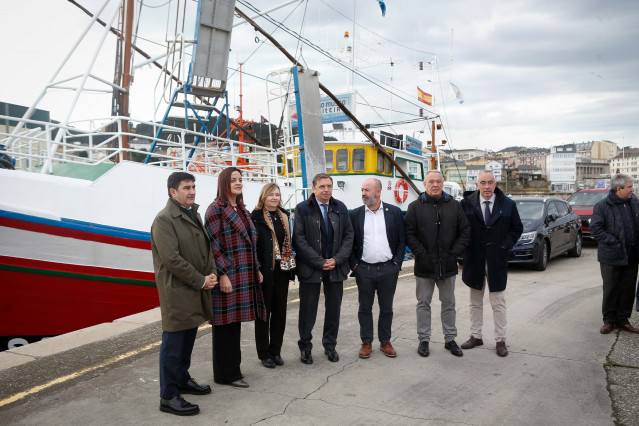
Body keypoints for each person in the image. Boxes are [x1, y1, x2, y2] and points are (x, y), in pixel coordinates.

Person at [151, 171, 218, 416]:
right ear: (173, 192)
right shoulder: (164, 219)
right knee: (173, 345)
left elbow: (206, 248)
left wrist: (210, 273)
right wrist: (201, 280)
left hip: (195, 287)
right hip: (177, 292)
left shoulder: (193, 214)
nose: (192, 191)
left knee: (187, 339)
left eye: (193, 186)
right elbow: (171, 260)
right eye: (186, 187)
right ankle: (168, 396)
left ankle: (181, 379)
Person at [204, 167, 267, 388]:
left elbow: (252, 244)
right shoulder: (215, 209)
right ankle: (225, 374)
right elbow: (213, 245)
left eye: (240, 179)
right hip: (229, 275)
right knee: (224, 326)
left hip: (244, 274)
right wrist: (222, 274)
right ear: (224, 183)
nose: (239, 183)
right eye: (233, 180)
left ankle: (233, 370)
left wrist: (257, 268)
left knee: (235, 324)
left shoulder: (241, 209)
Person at [405, 170, 470, 358]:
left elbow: (465, 231)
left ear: (443, 184)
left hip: (448, 264)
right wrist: (422, 255)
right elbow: (410, 233)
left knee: (449, 303)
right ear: (425, 185)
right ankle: (423, 340)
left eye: (438, 181)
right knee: (423, 303)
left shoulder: (454, 206)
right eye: (431, 182)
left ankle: (450, 339)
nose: (435, 185)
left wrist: (453, 254)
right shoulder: (415, 207)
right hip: (424, 265)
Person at [460, 170, 523, 357]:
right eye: (483, 183)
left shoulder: (508, 205)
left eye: (490, 183)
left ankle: (500, 340)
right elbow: (460, 228)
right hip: (474, 260)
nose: (487, 186)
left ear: (495, 185)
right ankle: (475, 336)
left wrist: (505, 246)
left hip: (497, 259)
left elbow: (517, 228)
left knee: (498, 302)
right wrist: (467, 245)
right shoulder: (466, 204)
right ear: (477, 185)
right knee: (475, 302)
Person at [293, 173, 354, 364]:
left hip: (335, 268)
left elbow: (349, 236)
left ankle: (330, 346)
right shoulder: (302, 209)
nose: (326, 189)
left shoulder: (340, 208)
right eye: (322, 186)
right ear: (314, 188)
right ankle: (305, 347)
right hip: (311, 268)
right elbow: (299, 240)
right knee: (307, 310)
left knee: (333, 310)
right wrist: (319, 261)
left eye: (329, 186)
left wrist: (337, 259)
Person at [349, 178, 405, 358]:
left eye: (367, 190)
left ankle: (385, 341)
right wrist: (354, 265)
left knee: (386, 307)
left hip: (389, 269)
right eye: (362, 190)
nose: (363, 193)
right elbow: (349, 242)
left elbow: (401, 240)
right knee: (365, 307)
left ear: (378, 192)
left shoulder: (394, 212)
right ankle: (366, 342)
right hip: (364, 269)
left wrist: (397, 263)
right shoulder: (355, 214)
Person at [251, 183, 295, 368]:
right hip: (265, 271)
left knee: (280, 313)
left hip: (283, 270)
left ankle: (276, 350)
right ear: (263, 197)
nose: (275, 197)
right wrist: (257, 269)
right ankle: (264, 353)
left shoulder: (283, 216)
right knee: (264, 314)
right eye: (271, 195)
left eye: (277, 194)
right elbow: (253, 246)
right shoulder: (256, 217)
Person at [590, 173, 639, 334]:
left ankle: (622, 320)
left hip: (632, 255)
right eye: (630, 187)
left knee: (628, 289)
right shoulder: (602, 206)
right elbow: (596, 229)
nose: (632, 189)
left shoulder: (634, 202)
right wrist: (614, 242)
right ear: (619, 188)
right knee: (611, 289)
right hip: (611, 256)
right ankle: (609, 321)